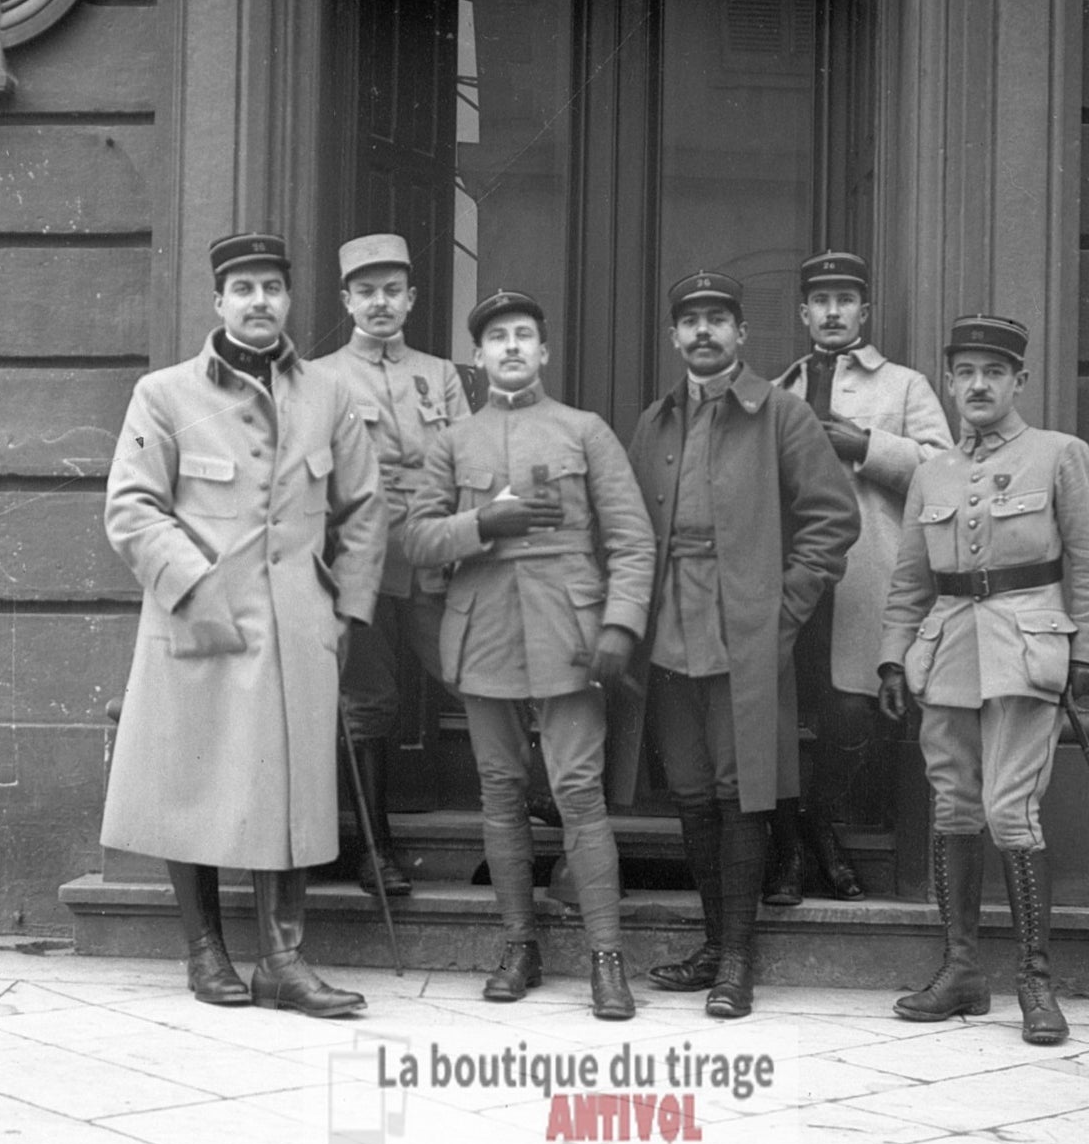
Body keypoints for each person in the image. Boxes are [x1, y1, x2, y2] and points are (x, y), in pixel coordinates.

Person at [101, 232, 387, 1018]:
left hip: (296, 628)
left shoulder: (327, 396)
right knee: (186, 782)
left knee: (287, 791)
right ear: (219, 302)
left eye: (272, 287)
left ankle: (282, 963)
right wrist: (192, 585)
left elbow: (363, 509)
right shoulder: (164, 396)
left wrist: (345, 609)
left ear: (290, 301)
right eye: (244, 288)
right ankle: (204, 951)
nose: (260, 301)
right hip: (196, 620)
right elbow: (131, 508)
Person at [404, 290, 655, 1020]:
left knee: (578, 792)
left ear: (544, 353)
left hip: (571, 637)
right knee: (500, 791)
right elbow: (415, 541)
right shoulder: (452, 442)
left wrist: (620, 627)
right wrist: (484, 520)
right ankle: (519, 944)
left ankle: (608, 958)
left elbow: (633, 541)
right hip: (483, 633)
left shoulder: (584, 431)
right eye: (496, 339)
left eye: (524, 336)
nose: (511, 348)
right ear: (477, 357)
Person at [618, 270, 859, 1018]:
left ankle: (737, 963)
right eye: (689, 320)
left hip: (744, 631)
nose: (702, 332)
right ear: (673, 336)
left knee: (741, 791)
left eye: (717, 319)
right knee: (690, 791)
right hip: (668, 629)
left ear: (741, 333)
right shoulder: (652, 422)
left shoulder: (782, 413)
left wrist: (780, 612)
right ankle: (711, 944)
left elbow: (832, 520)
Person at [879, 314, 1089, 1045]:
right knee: (952, 806)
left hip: (1025, 653)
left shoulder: (1059, 455)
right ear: (948, 383)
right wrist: (892, 655)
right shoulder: (931, 473)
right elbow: (908, 580)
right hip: (946, 650)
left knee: (1009, 810)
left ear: (1018, 380)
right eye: (964, 373)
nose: (977, 386)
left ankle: (1034, 985)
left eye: (992, 372)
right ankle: (959, 973)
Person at [771, 251, 952, 901]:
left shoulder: (904, 387)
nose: (831, 312)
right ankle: (792, 851)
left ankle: (815, 828)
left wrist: (864, 446)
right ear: (802, 313)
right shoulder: (777, 390)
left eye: (844, 300)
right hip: (795, 578)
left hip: (867, 580)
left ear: (863, 311)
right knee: (781, 717)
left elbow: (943, 472)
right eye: (819, 301)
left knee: (850, 715)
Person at [318, 233, 471, 896]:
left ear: (410, 299)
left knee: (475, 672)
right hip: (363, 563)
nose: (379, 304)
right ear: (346, 299)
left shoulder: (441, 375)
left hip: (436, 557)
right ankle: (374, 848)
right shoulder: (320, 378)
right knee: (367, 703)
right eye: (365, 291)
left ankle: (531, 812)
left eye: (391, 291)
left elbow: (464, 460)